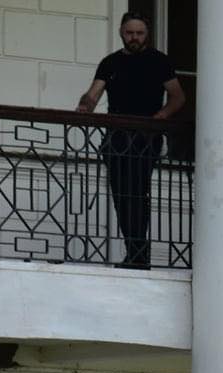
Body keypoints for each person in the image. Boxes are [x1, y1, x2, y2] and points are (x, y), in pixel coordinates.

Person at [75, 10, 185, 269]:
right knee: (121, 194)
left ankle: (138, 253)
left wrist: (159, 117)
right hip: (116, 138)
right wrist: (85, 105)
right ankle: (135, 251)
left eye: (139, 33)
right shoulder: (110, 62)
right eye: (129, 33)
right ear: (121, 33)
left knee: (136, 193)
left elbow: (178, 97)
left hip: (146, 138)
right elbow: (93, 94)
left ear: (147, 34)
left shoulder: (159, 61)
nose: (134, 38)